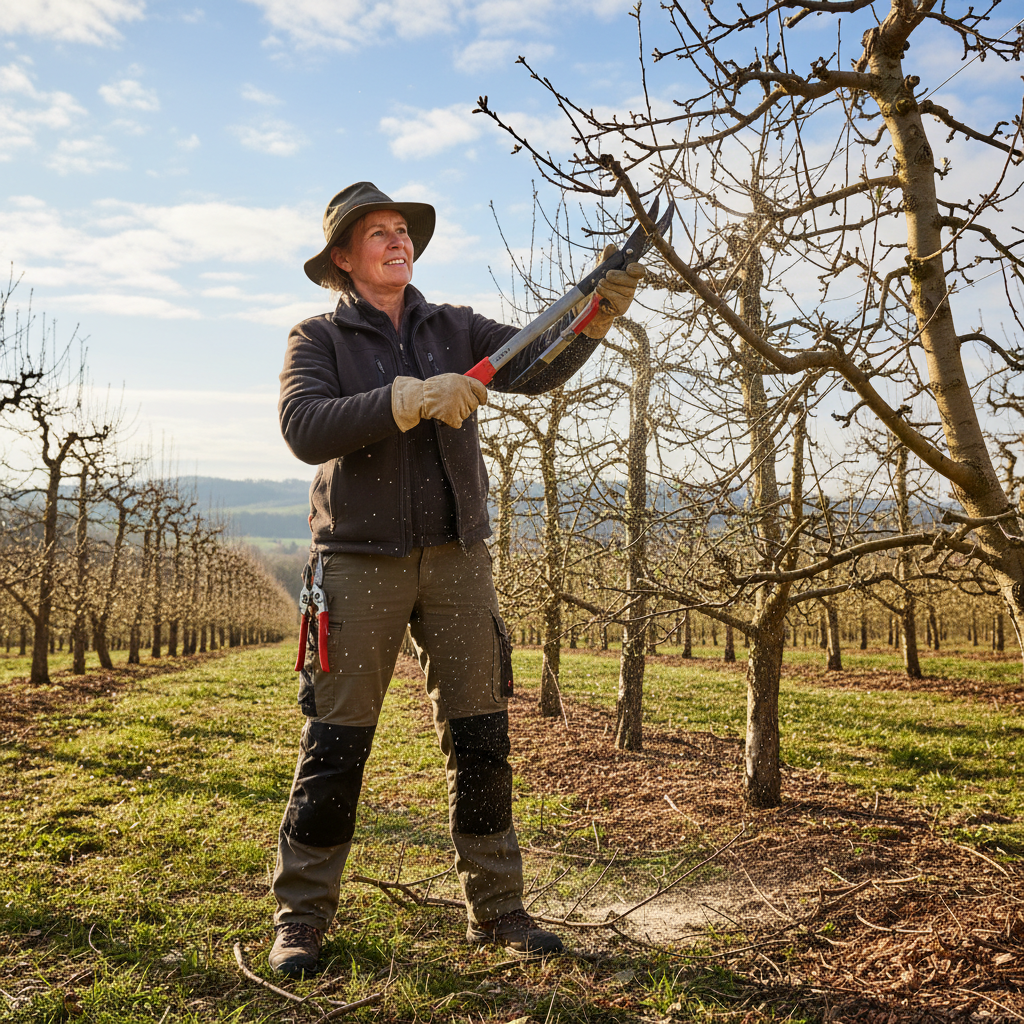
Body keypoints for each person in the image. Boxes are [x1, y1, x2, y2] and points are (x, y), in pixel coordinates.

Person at [270, 181, 643, 976]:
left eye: (403, 230)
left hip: (458, 561)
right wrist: (404, 398)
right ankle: (300, 918)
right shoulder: (318, 340)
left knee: (480, 738)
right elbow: (304, 428)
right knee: (336, 744)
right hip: (356, 563)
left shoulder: (455, 327)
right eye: (378, 233)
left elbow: (538, 364)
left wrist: (597, 314)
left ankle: (500, 909)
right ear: (343, 258)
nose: (397, 241)